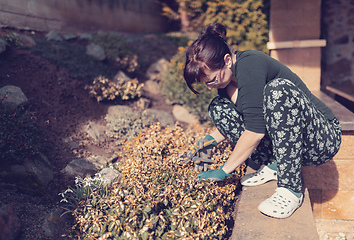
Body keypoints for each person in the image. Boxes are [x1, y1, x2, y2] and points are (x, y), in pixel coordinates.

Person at [182, 22, 342, 219]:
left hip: (321, 137)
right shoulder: (225, 82)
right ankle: (274, 164)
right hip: (291, 143)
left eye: (212, 80)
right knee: (218, 107)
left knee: (277, 90)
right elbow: (248, 117)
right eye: (206, 83)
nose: (210, 86)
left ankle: (290, 188)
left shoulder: (250, 63)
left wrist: (224, 170)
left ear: (227, 60)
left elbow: (255, 130)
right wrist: (210, 140)